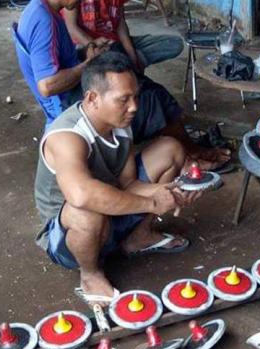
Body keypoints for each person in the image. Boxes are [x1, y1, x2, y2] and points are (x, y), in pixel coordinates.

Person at [35, 52, 200, 303]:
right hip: (67, 236)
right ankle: (90, 274)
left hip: (110, 213)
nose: (134, 107)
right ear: (93, 98)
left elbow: (129, 184)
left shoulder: (119, 124)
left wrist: (173, 191)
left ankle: (138, 237)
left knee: (170, 149)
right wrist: (153, 202)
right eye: (124, 99)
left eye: (135, 97)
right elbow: (80, 195)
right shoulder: (67, 136)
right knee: (86, 209)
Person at [14, 0, 230, 169]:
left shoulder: (42, 10)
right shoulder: (44, 21)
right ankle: (190, 153)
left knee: (143, 86)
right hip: (67, 101)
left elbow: (62, 61)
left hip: (75, 86)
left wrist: (89, 49)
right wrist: (89, 63)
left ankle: (187, 148)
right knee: (153, 98)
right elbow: (48, 86)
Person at [61, 0, 184, 77]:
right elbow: (71, 26)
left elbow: (120, 24)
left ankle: (124, 63)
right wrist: (93, 44)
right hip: (86, 46)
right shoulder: (71, 2)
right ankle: (120, 64)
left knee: (174, 44)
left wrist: (132, 56)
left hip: (115, 43)